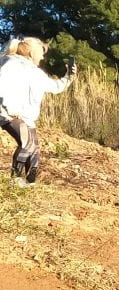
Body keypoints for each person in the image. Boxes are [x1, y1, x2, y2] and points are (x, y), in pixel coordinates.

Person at [0, 37, 77, 185]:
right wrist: (11, 108)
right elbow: (2, 86)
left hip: (25, 117)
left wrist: (70, 76)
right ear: (31, 52)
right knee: (27, 144)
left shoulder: (36, 72)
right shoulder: (11, 63)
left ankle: (30, 183)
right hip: (7, 112)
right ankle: (14, 181)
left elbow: (55, 87)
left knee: (34, 150)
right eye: (41, 53)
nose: (42, 57)